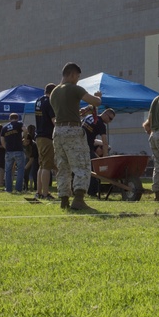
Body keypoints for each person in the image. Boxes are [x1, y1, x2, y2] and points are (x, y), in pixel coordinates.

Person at [51, 62, 103, 211]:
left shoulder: (54, 92)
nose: (78, 80)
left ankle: (64, 199)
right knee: (82, 165)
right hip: (72, 130)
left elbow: (66, 110)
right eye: (77, 77)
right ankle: (79, 199)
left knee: (63, 166)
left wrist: (82, 112)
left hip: (58, 130)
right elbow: (95, 101)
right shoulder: (74, 88)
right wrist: (98, 97)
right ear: (72, 74)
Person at [32, 83, 57, 201]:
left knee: (41, 165)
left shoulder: (38, 101)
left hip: (39, 136)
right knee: (47, 166)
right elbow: (54, 120)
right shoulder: (50, 102)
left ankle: (39, 192)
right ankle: (46, 194)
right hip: (47, 136)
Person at [0, 113, 25, 193]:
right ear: (17, 118)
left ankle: (8, 188)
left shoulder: (4, 127)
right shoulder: (19, 124)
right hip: (18, 149)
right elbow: (25, 130)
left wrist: (5, 147)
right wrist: (24, 138)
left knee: (8, 170)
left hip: (8, 151)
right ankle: (18, 188)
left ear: (9, 119)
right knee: (20, 169)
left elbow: (2, 139)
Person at [23, 125, 38, 191]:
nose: (27, 143)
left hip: (35, 158)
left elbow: (31, 160)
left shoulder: (33, 145)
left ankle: (36, 187)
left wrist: (25, 167)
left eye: (28, 141)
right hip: (27, 157)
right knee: (25, 173)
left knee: (34, 172)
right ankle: (25, 186)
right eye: (25, 141)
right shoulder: (21, 144)